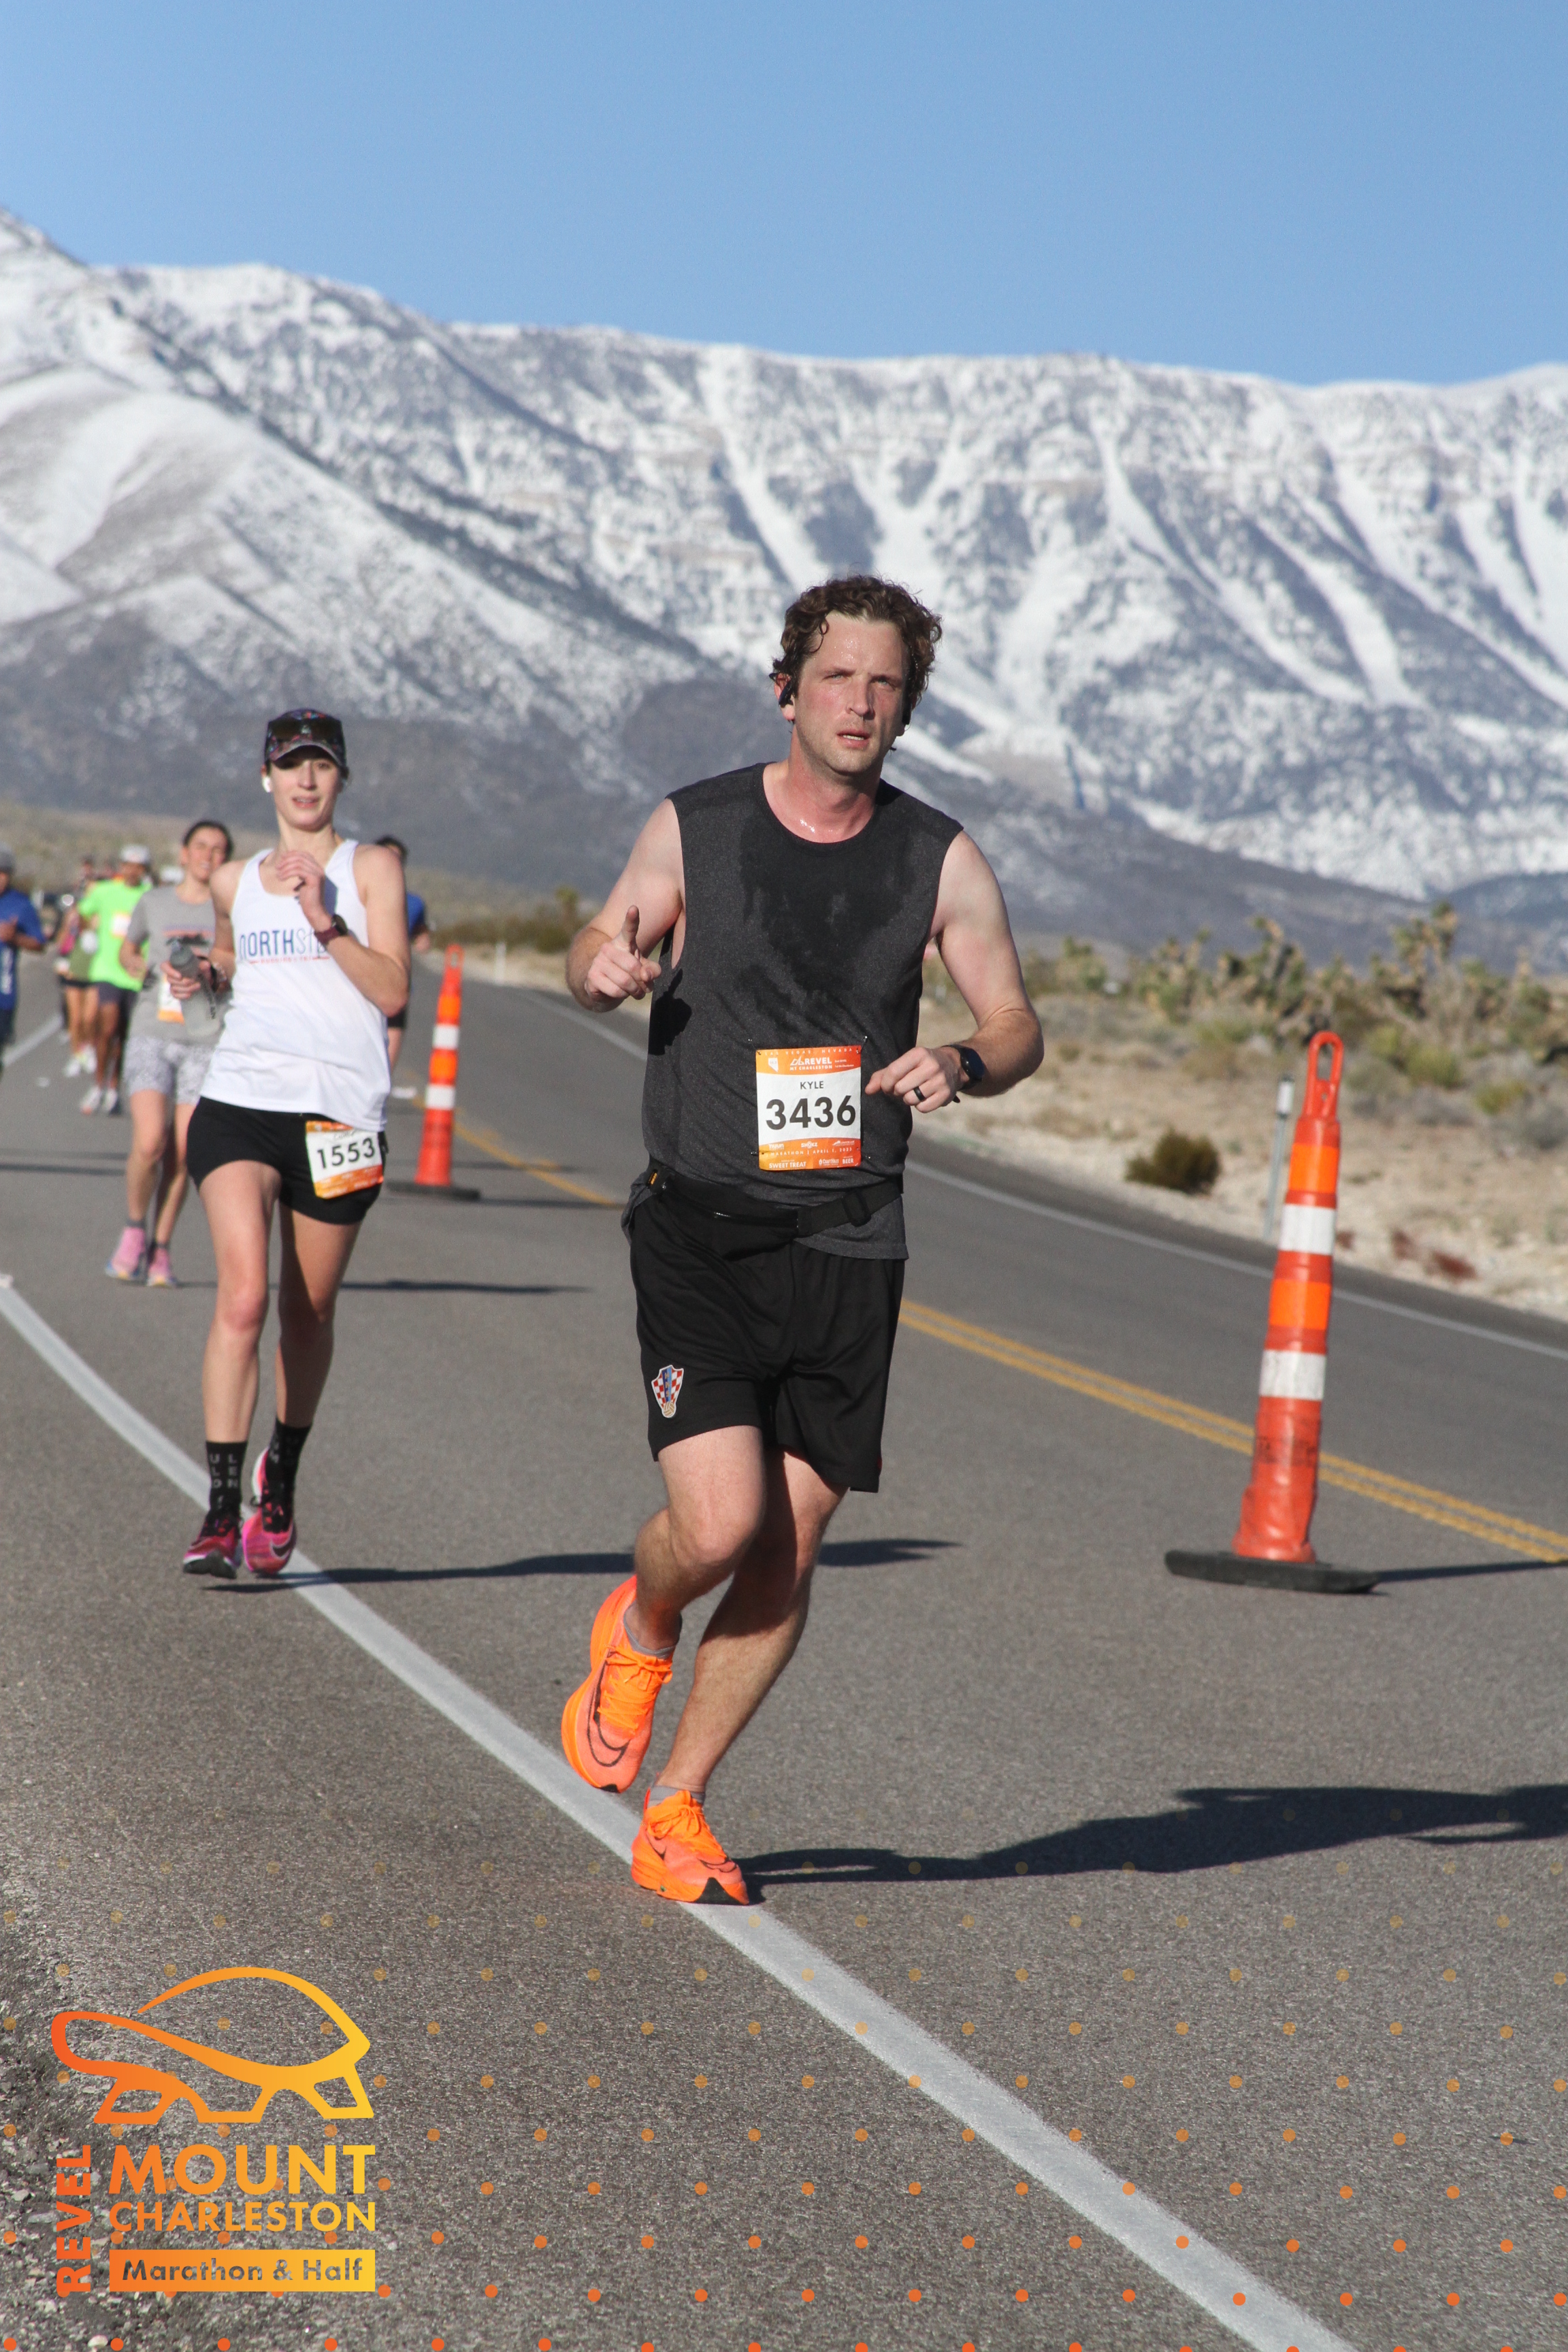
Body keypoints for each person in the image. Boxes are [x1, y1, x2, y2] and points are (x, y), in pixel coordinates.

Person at [559, 575, 1044, 1904]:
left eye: (885, 684)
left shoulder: (938, 857)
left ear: (906, 706)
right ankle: (642, 1619)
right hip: (702, 1228)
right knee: (718, 1527)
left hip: (848, 1239)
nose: (859, 703)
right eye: (837, 677)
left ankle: (677, 1806)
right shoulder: (698, 824)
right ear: (788, 689)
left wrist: (965, 1061)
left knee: (793, 1538)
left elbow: (1015, 1022)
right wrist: (600, 965)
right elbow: (599, 937)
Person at [180, 711, 408, 1579]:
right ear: (266, 779)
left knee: (306, 1313)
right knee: (242, 1299)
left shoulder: (369, 869)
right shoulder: (233, 878)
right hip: (241, 1101)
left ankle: (281, 1472)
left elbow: (392, 992)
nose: (306, 781)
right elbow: (230, 959)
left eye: (321, 766)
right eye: (290, 766)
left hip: (340, 1117)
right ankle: (218, 1509)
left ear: (341, 777)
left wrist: (324, 919)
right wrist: (203, 976)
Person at [104, 819, 234, 1287]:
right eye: (201, 846)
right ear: (183, 853)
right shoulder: (155, 902)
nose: (208, 856)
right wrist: (138, 965)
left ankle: (161, 1248)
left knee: (184, 1150)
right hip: (152, 1033)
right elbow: (127, 950)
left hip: (205, 1039)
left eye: (219, 850)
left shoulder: (232, 911)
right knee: (150, 1141)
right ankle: (134, 1228)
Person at [78, 846, 151, 1113]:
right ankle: (98, 1085)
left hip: (136, 975)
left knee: (123, 1034)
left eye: (138, 867)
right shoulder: (105, 891)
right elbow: (83, 911)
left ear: (145, 870)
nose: (132, 871)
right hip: (108, 970)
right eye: (128, 865)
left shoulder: (150, 896)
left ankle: (113, 1087)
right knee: (107, 1028)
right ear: (121, 867)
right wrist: (88, 933)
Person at [374, 836, 429, 1073]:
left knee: (385, 1070)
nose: (391, 862)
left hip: (396, 984)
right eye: (386, 856)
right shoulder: (353, 892)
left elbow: (421, 931)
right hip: (359, 984)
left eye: (397, 859)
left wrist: (423, 937)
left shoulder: (414, 903)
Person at [0, 846, 46, 1083]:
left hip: (3, 994)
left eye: (3, 873)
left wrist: (15, 938)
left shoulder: (20, 905)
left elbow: (39, 943)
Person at [56, 856, 101, 1075]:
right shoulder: (73, 915)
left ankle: (89, 1048)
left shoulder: (100, 916)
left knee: (89, 1018)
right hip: (74, 970)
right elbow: (61, 942)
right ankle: (76, 1055)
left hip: (94, 971)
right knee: (74, 1019)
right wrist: (69, 925)